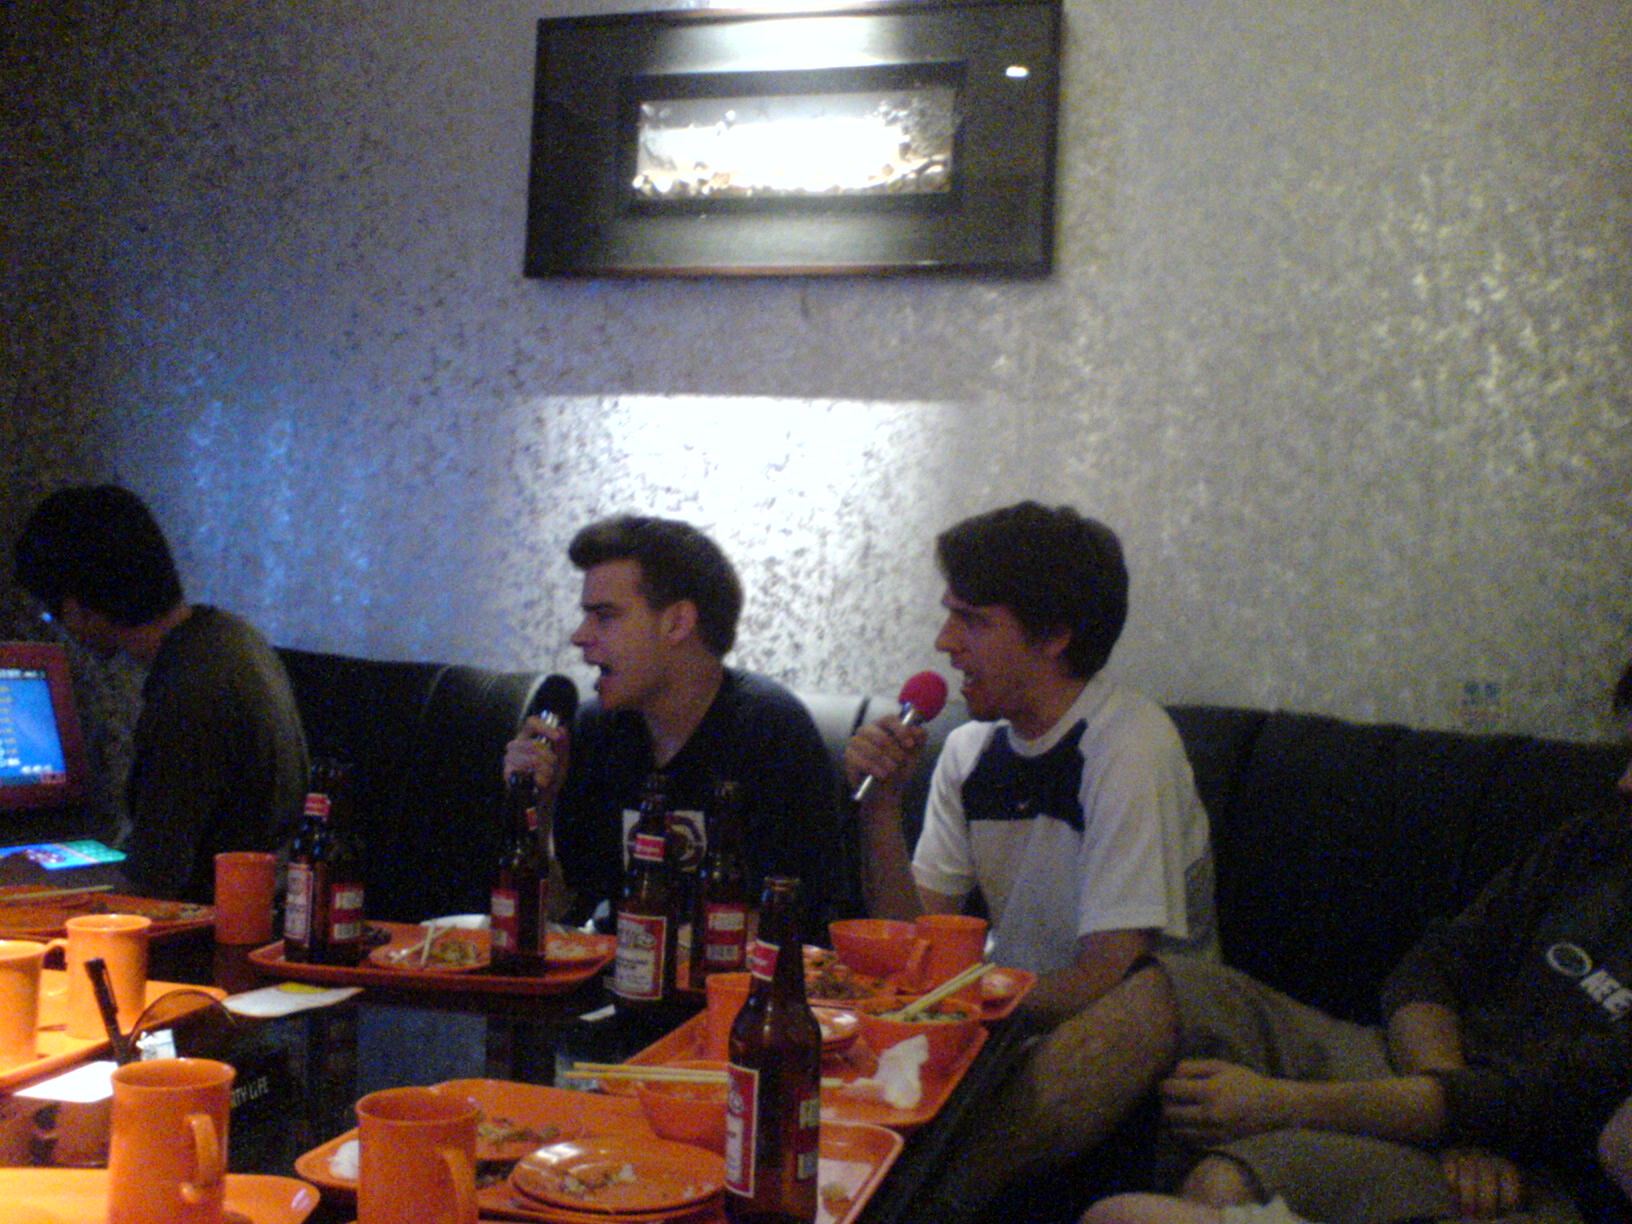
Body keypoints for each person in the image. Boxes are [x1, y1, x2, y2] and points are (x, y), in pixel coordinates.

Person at [931, 659, 1632, 1224]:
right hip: (1425, 1070)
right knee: (1169, 988)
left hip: (1523, 1162)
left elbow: (1553, 1106)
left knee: (1222, 1183)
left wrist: (1281, 1103)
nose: (1624, 782)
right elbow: (1431, 968)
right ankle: (931, 1202)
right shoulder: (1593, 844)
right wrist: (1449, 1090)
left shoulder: (1126, 741)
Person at [843, 501, 1216, 1022]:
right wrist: (881, 806)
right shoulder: (969, 750)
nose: (944, 642)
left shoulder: (1130, 746)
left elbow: (1111, 982)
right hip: (1015, 1019)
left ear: (1054, 636)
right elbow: (914, 948)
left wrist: (955, 1009)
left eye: (972, 620)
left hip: (1143, 1035)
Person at [503, 514, 848, 939]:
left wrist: (662, 950)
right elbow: (563, 911)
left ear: (678, 623)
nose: (580, 635)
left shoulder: (770, 730)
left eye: (604, 616)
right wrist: (538, 806)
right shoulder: (596, 730)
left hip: (722, 978)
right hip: (616, 968)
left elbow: (799, 916)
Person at [11, 485, 308, 901]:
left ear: (77, 607)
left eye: (51, 614)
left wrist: (31, 882)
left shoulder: (191, 688)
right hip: (261, 908)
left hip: (210, 922)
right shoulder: (233, 639)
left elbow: (151, 882)